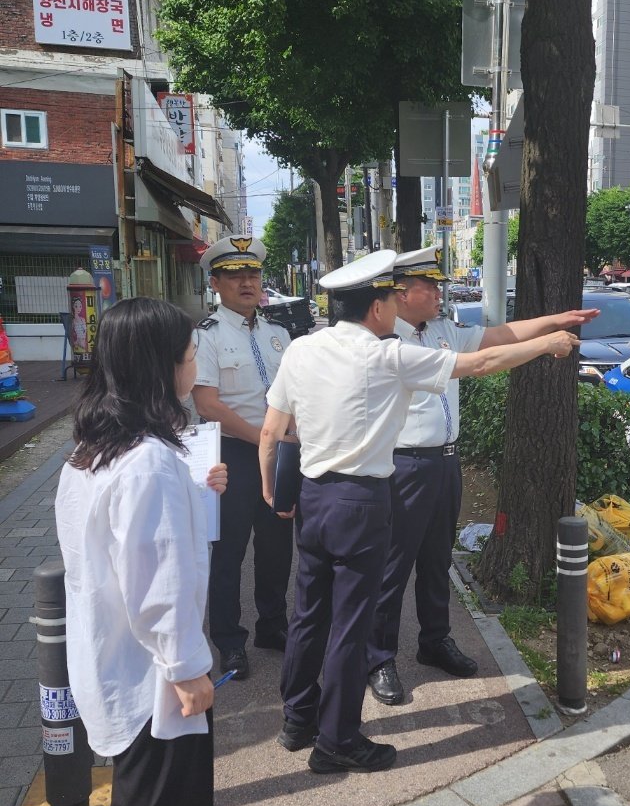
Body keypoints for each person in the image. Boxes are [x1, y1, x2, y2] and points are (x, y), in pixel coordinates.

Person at [259, 249, 579, 776]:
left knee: (310, 612)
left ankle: (298, 720)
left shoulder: (301, 349)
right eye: (390, 296)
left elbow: (271, 434)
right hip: (362, 502)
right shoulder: (386, 355)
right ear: (380, 305)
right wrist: (549, 344)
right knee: (350, 625)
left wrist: (274, 494)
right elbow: (480, 363)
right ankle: (337, 740)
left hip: (314, 497)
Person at [54, 298, 235, 806]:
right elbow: (158, 584)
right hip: (157, 681)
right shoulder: (152, 460)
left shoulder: (91, 451)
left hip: (115, 672)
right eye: (189, 352)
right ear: (161, 365)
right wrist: (191, 670)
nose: (196, 363)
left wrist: (200, 494)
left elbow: (120, 551)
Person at [365, 247, 600, 705]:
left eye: (438, 284)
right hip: (403, 464)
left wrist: (555, 320)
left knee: (437, 560)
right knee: (392, 566)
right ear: (400, 292)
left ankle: (434, 640)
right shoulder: (384, 341)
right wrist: (545, 345)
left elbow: (496, 335)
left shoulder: (438, 329)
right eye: (428, 285)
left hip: (444, 462)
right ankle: (378, 657)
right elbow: (486, 363)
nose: (438, 291)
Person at [193, 235, 293, 679]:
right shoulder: (206, 336)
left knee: (276, 547)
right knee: (228, 552)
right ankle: (230, 642)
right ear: (216, 283)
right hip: (232, 453)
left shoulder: (279, 333)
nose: (247, 283)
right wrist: (263, 438)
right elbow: (206, 404)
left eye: (252, 274)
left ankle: (273, 626)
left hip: (277, 454)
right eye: (236, 276)